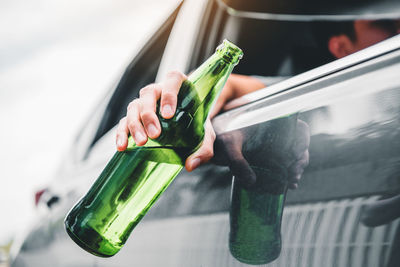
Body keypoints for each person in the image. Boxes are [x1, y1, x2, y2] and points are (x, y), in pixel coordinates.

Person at [115, 19, 400, 177]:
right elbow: (235, 88)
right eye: (386, 22)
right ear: (341, 46)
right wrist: (181, 103)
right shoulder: (321, 99)